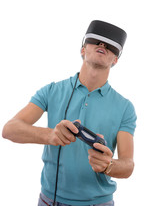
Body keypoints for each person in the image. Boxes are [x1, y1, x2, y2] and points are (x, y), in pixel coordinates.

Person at [2, 20, 137, 206]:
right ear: (82, 50)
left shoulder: (125, 107)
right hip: (49, 200)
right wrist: (51, 135)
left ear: (115, 60)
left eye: (110, 46)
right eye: (96, 41)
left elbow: (128, 165)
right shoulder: (51, 91)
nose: (102, 45)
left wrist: (108, 165)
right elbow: (9, 129)